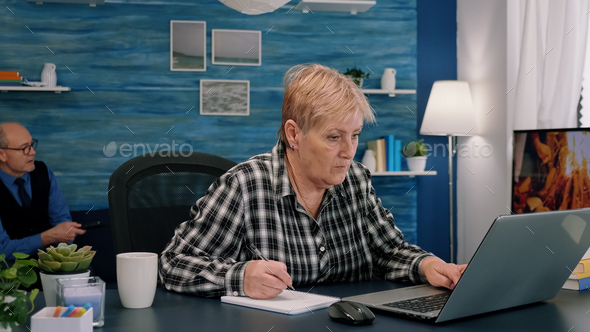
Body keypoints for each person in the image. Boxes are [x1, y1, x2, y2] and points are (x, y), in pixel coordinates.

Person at [159, 64, 466, 299]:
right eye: (334, 137)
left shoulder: (356, 180)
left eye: (355, 135)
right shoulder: (245, 185)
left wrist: (427, 266)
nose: (348, 152)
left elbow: (389, 252)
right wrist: (239, 277)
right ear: (294, 134)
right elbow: (173, 263)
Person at [0, 122, 85, 257]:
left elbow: (61, 220)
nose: (33, 152)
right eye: (24, 148)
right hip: (11, 270)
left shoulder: (44, 172)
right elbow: (2, 249)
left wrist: (64, 252)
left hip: (51, 261)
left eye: (32, 144)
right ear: (2, 155)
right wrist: (47, 238)